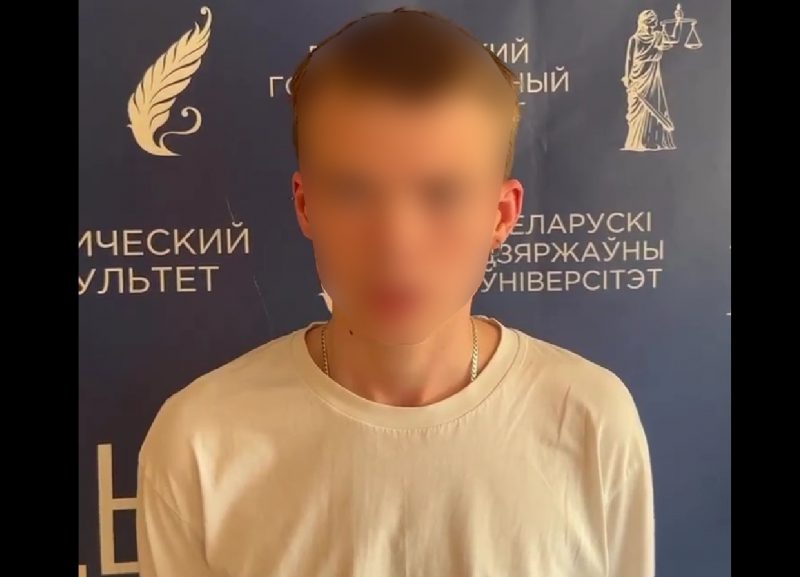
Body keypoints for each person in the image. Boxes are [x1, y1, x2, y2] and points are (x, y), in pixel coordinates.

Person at [136, 8, 655, 577]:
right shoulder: (200, 440)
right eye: (353, 191)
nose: (396, 242)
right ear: (306, 205)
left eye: (442, 194)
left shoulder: (589, 420)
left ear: (502, 214)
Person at [622, 9, 678, 151]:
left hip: (652, 79)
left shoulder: (658, 36)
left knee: (655, 105)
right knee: (637, 110)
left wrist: (678, 22)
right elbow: (629, 60)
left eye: (652, 25)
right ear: (641, 24)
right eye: (648, 25)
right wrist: (627, 78)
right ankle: (637, 141)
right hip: (637, 78)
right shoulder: (634, 39)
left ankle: (654, 140)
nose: (650, 28)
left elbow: (673, 39)